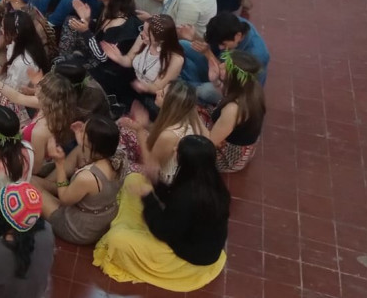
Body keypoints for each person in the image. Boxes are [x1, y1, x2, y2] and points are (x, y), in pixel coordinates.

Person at [93, 135, 229, 292]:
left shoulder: (188, 195)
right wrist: (155, 181)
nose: (174, 149)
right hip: (186, 235)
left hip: (187, 255)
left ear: (187, 161)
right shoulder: (209, 181)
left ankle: (127, 228)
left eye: (179, 150)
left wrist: (148, 197)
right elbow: (173, 199)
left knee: (116, 239)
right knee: (134, 179)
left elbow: (163, 231)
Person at [39, 115, 121, 245]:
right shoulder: (120, 158)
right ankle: (45, 185)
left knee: (29, 186)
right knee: (35, 181)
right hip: (101, 219)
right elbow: (92, 156)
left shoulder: (87, 177)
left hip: (78, 228)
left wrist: (59, 163)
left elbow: (64, 199)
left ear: (92, 142)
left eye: (84, 130)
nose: (81, 128)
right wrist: (81, 139)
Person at [117, 81, 208, 185]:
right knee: (125, 131)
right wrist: (145, 124)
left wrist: (140, 130)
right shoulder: (186, 115)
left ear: (171, 105)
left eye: (162, 94)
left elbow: (151, 170)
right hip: (180, 166)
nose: (157, 92)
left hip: (167, 181)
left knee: (123, 169)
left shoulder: (168, 135)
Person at [181, 12, 270, 105]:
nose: (220, 48)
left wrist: (208, 54)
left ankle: (180, 88)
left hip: (236, 91)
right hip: (217, 72)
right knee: (183, 44)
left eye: (223, 44)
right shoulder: (232, 24)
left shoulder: (256, 55)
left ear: (238, 36)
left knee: (206, 90)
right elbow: (211, 48)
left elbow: (232, 82)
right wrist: (194, 37)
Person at [102, 13, 185, 109]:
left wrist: (144, 87)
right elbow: (129, 60)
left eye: (146, 34)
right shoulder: (143, 38)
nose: (141, 34)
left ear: (161, 41)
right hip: (134, 82)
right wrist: (119, 58)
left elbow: (158, 88)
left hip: (151, 96)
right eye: (143, 30)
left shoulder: (175, 59)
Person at [204, 50, 265, 173]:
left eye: (225, 67)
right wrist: (215, 80)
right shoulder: (250, 87)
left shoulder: (233, 109)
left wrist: (191, 120)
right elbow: (226, 93)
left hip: (229, 157)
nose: (220, 66)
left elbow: (210, 142)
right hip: (238, 141)